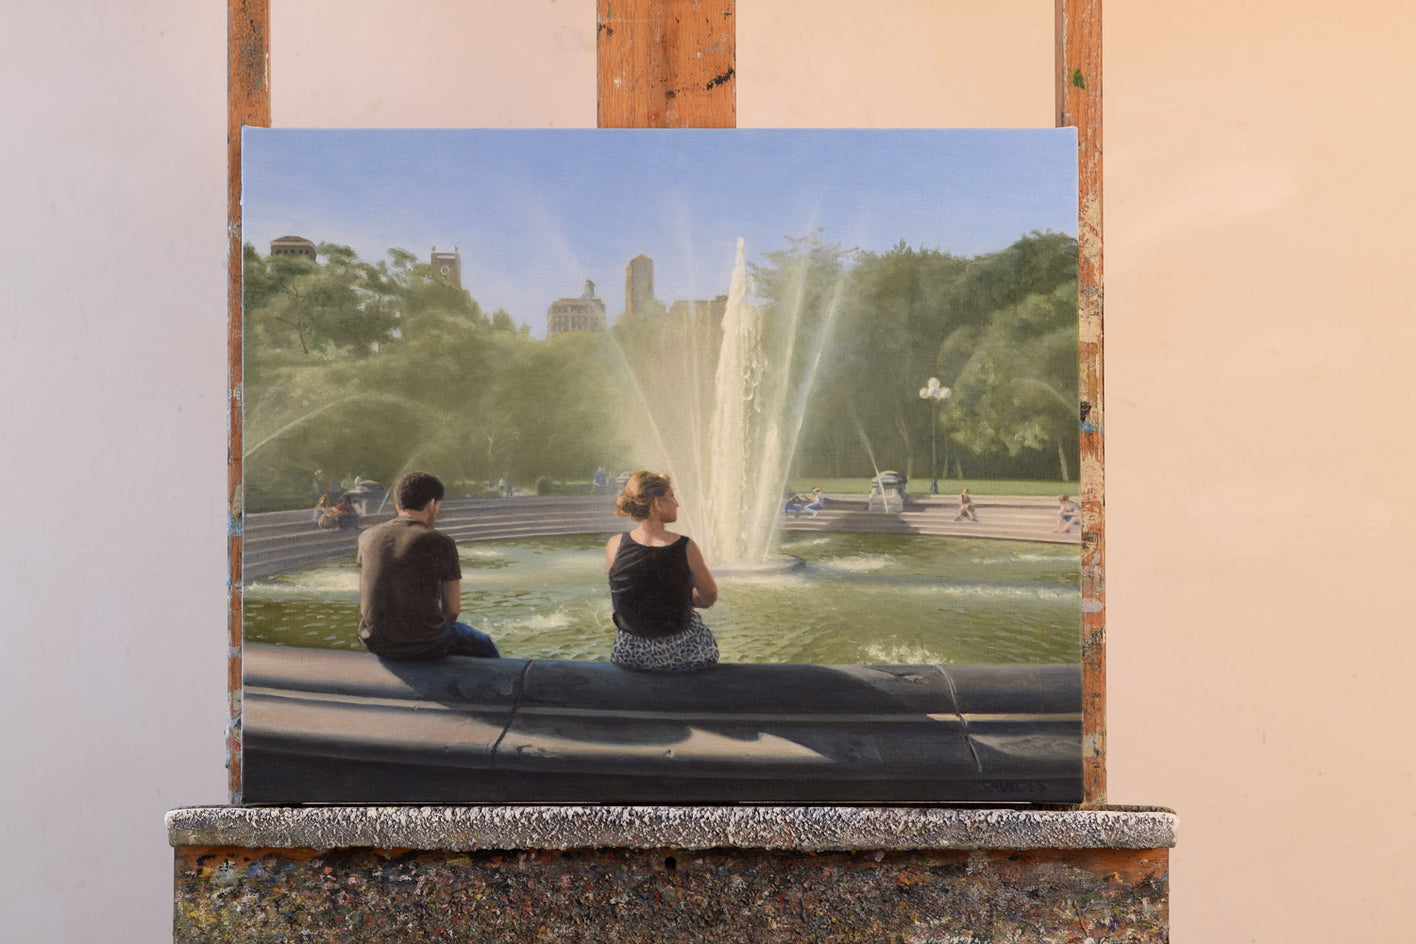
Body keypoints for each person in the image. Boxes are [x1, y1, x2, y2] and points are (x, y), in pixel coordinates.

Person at [356, 471, 499, 661]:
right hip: (424, 643)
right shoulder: (440, 541)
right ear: (432, 504)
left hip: (374, 641)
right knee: (484, 644)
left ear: (398, 505)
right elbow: (453, 611)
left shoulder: (367, 537)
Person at [605, 471, 719, 673]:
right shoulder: (685, 546)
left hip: (629, 654)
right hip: (680, 654)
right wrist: (679, 597)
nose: (677, 504)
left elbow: (628, 594)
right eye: (672, 497)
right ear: (657, 502)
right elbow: (708, 597)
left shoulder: (615, 545)